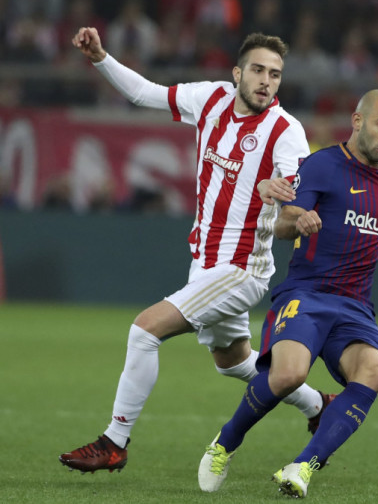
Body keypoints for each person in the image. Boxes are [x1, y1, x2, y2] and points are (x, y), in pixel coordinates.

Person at [59, 27, 332, 474]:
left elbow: (296, 201)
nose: (266, 81)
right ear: (237, 73)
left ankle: (114, 442)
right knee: (233, 362)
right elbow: (145, 93)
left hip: (241, 269)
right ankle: (319, 405)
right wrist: (100, 58)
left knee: (144, 332)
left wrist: (281, 195)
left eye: (275, 74)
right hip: (204, 263)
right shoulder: (211, 99)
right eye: (258, 70)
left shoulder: (286, 131)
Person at [196, 89, 378, 498]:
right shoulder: (322, 164)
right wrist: (300, 220)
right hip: (307, 294)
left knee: (374, 371)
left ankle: (303, 467)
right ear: (358, 121)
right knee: (289, 375)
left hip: (355, 306)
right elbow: (282, 223)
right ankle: (225, 442)